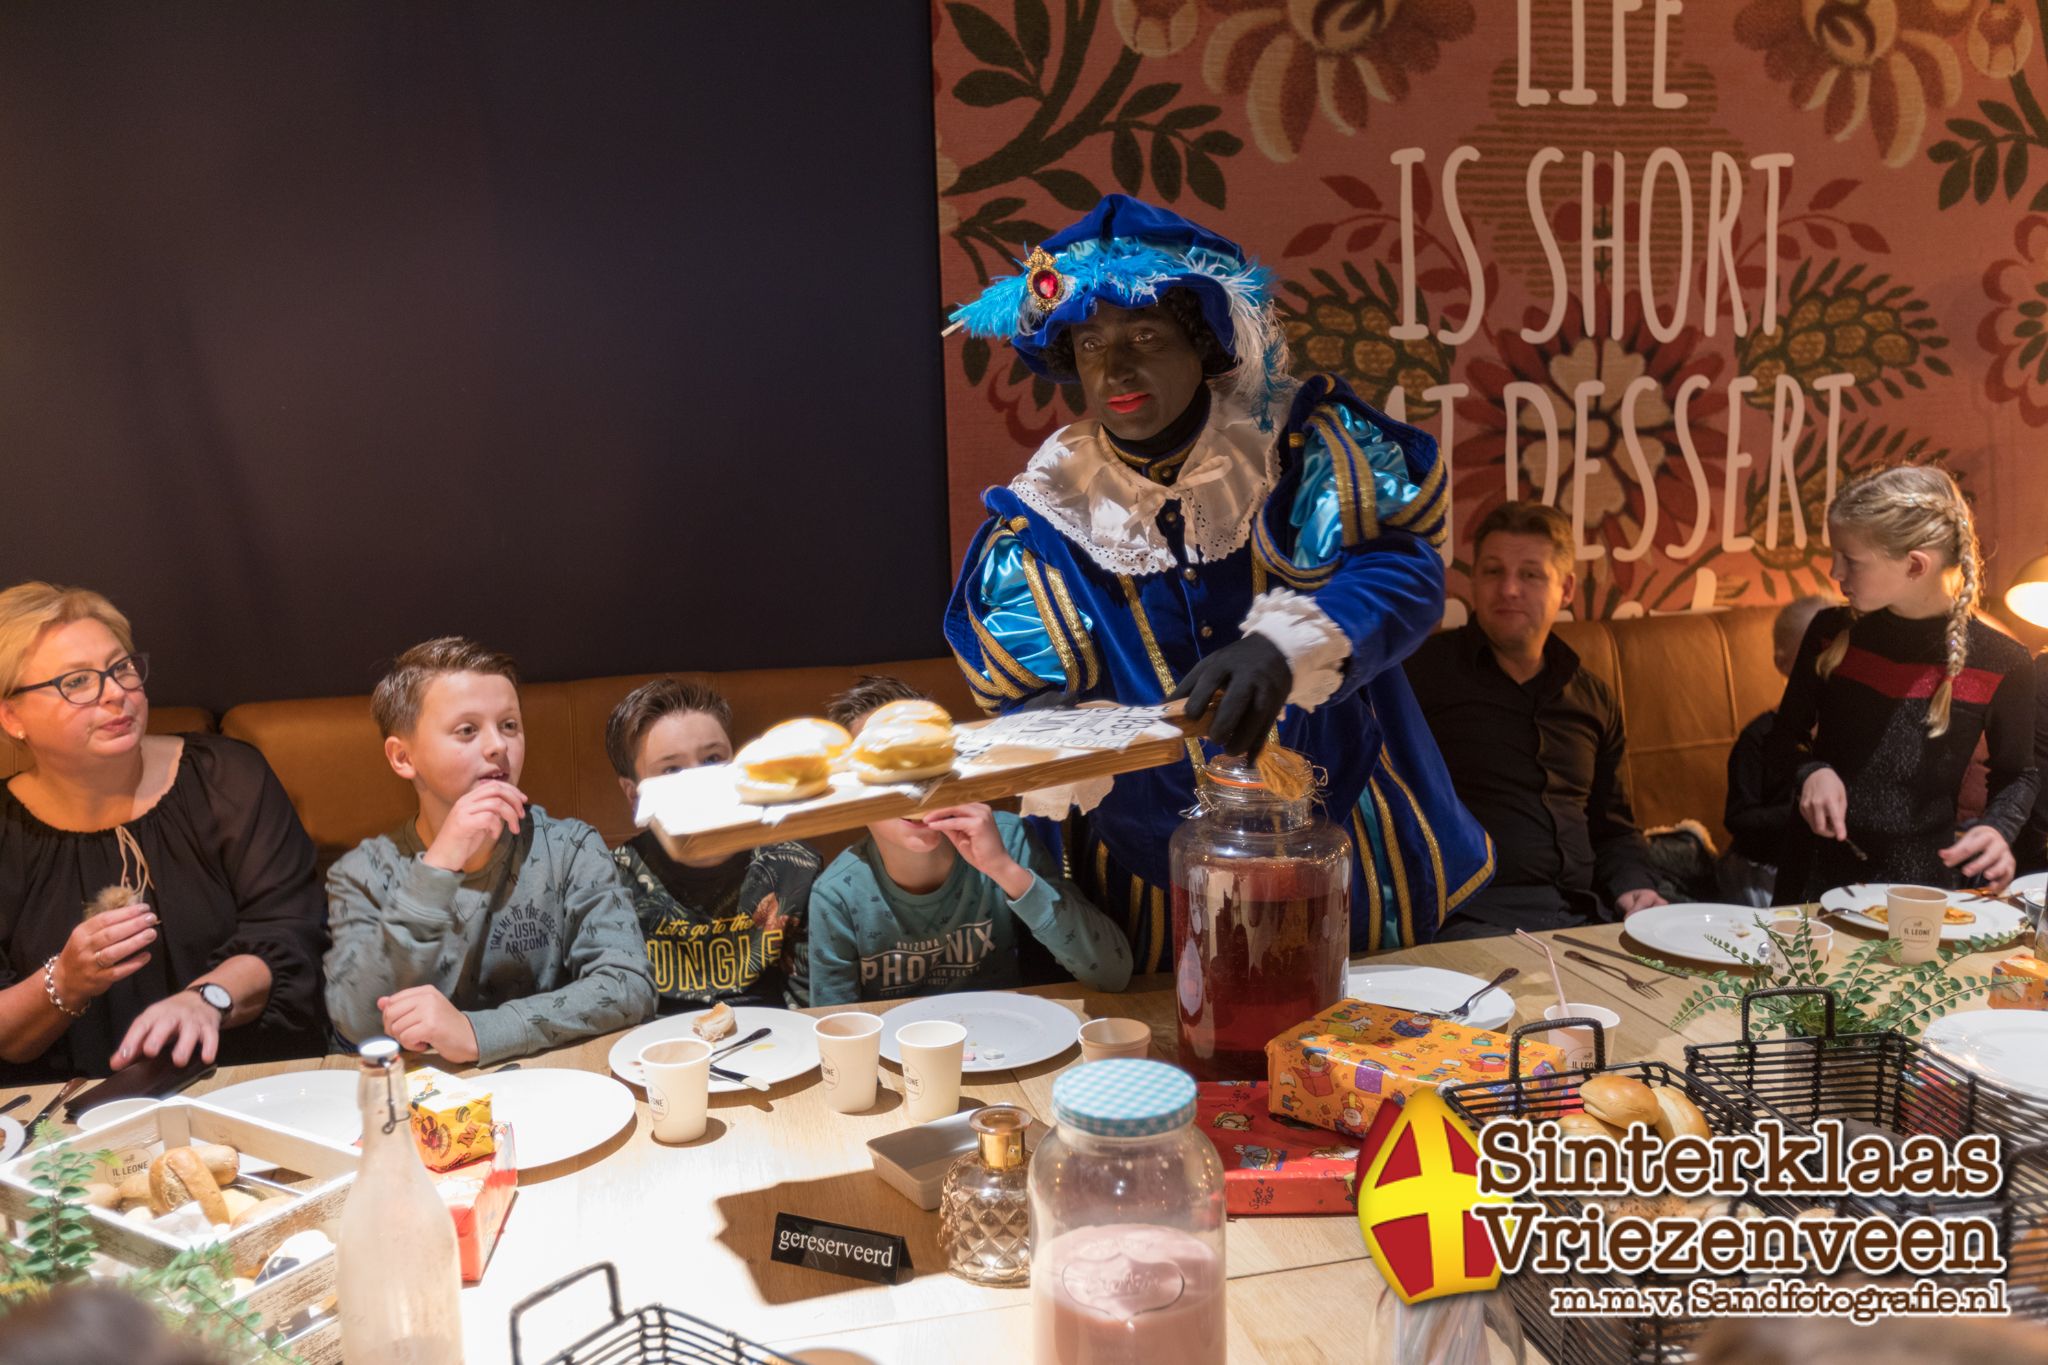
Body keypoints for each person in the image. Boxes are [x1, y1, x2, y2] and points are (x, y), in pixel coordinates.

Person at [943, 194, 1490, 959]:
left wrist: (1285, 646)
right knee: (1190, 1054)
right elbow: (1037, 702)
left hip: (1342, 838)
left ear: (1202, 343)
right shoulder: (1048, 515)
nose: (1117, 367)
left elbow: (1403, 573)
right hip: (1157, 872)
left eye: (1144, 335)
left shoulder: (1294, 445)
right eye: (1092, 344)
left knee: (1366, 1050)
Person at [0, 583, 327, 1083]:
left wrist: (208, 1000)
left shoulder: (227, 778)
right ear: (12, 716)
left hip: (244, 1084)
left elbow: (289, 935)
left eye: (121, 668)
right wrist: (65, 981)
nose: (116, 693)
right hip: (66, 1115)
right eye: (78, 682)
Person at [323, 637, 655, 1064]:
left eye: (510, 725)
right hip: (416, 1100)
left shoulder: (571, 848)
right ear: (403, 757)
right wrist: (439, 865)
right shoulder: (362, 873)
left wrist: (478, 1032)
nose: (498, 745)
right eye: (467, 730)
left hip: (547, 1084)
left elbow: (628, 985)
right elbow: (355, 1017)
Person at [1767, 466, 2038, 900]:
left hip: (1919, 892)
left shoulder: (2003, 661)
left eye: (1851, 560)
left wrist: (1998, 828)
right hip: (1810, 883)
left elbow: (2018, 775)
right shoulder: (1828, 632)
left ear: (1915, 565)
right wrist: (1811, 770)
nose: (1836, 572)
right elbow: (1783, 741)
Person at [1403, 502, 1667, 938]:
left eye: (1529, 574)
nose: (1508, 589)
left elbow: (1613, 827)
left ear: (1564, 589)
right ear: (1472, 582)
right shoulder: (1422, 678)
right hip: (1472, 918)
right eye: (1492, 571)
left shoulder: (1593, 697)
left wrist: (1636, 887)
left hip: (1587, 914)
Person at [806, 676, 1132, 1007]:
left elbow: (1112, 974)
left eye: (923, 761)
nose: (912, 789)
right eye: (883, 768)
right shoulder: (837, 895)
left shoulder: (1008, 841)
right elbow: (835, 1028)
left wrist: (1003, 869)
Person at [605, 678, 818, 1009]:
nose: (699, 781)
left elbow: (812, 1007)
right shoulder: (611, 882)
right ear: (635, 795)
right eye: (671, 769)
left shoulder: (794, 867)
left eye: (712, 759)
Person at [1719, 594, 1834, 904]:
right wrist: (1803, 808)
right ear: (1782, 663)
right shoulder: (1759, 737)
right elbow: (1739, 818)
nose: (1829, 667)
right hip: (1763, 869)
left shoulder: (1850, 732)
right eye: (1812, 655)